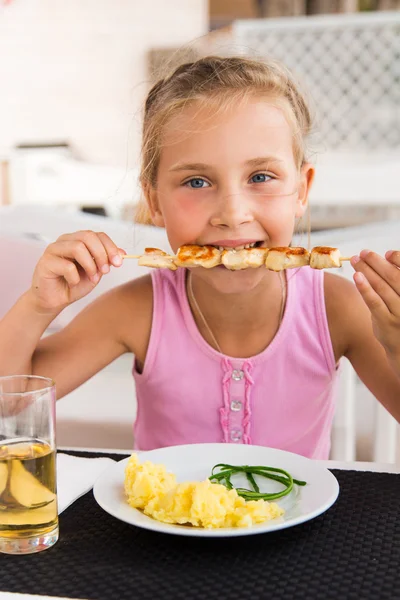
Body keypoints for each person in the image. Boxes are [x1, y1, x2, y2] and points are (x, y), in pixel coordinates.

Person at [1, 56, 399, 458]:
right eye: (196, 181)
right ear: (155, 202)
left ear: (301, 190)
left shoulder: (337, 307)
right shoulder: (138, 309)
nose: (232, 214)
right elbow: (11, 404)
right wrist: (38, 305)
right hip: (162, 521)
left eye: (260, 177)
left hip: (303, 519)